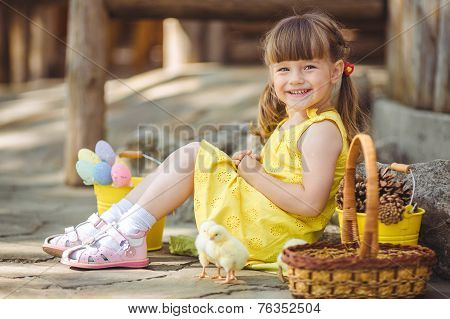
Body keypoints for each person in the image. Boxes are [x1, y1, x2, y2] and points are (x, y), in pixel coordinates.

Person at [42, 12, 366, 269]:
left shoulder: (322, 129)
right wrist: (253, 168)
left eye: (309, 67)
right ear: (271, 73)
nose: (295, 79)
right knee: (193, 154)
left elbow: (309, 205)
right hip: (265, 218)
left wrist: (256, 175)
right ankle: (113, 223)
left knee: (195, 154)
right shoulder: (294, 121)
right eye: (283, 69)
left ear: (336, 71)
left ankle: (129, 235)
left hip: (274, 233)